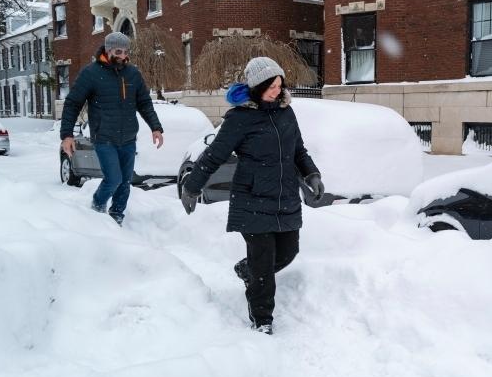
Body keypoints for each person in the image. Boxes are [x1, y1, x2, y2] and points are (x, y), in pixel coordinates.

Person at [180, 57, 323, 335]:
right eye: (271, 86)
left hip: (284, 197)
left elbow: (299, 151)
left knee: (288, 251)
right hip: (253, 198)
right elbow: (214, 155)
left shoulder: (286, 112)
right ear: (257, 87)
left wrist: (311, 175)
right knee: (263, 262)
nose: (277, 91)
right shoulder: (239, 118)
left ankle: (248, 272)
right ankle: (262, 318)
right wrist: (192, 185)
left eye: (280, 85)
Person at [60, 32, 164, 225]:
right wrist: (67, 134)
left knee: (125, 183)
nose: (123, 56)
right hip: (104, 138)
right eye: (118, 51)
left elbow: (144, 103)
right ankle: (97, 207)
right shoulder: (91, 73)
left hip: (128, 138)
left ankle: (117, 216)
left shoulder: (132, 73)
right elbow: (73, 103)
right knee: (114, 179)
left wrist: (155, 127)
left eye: (126, 52)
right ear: (108, 51)